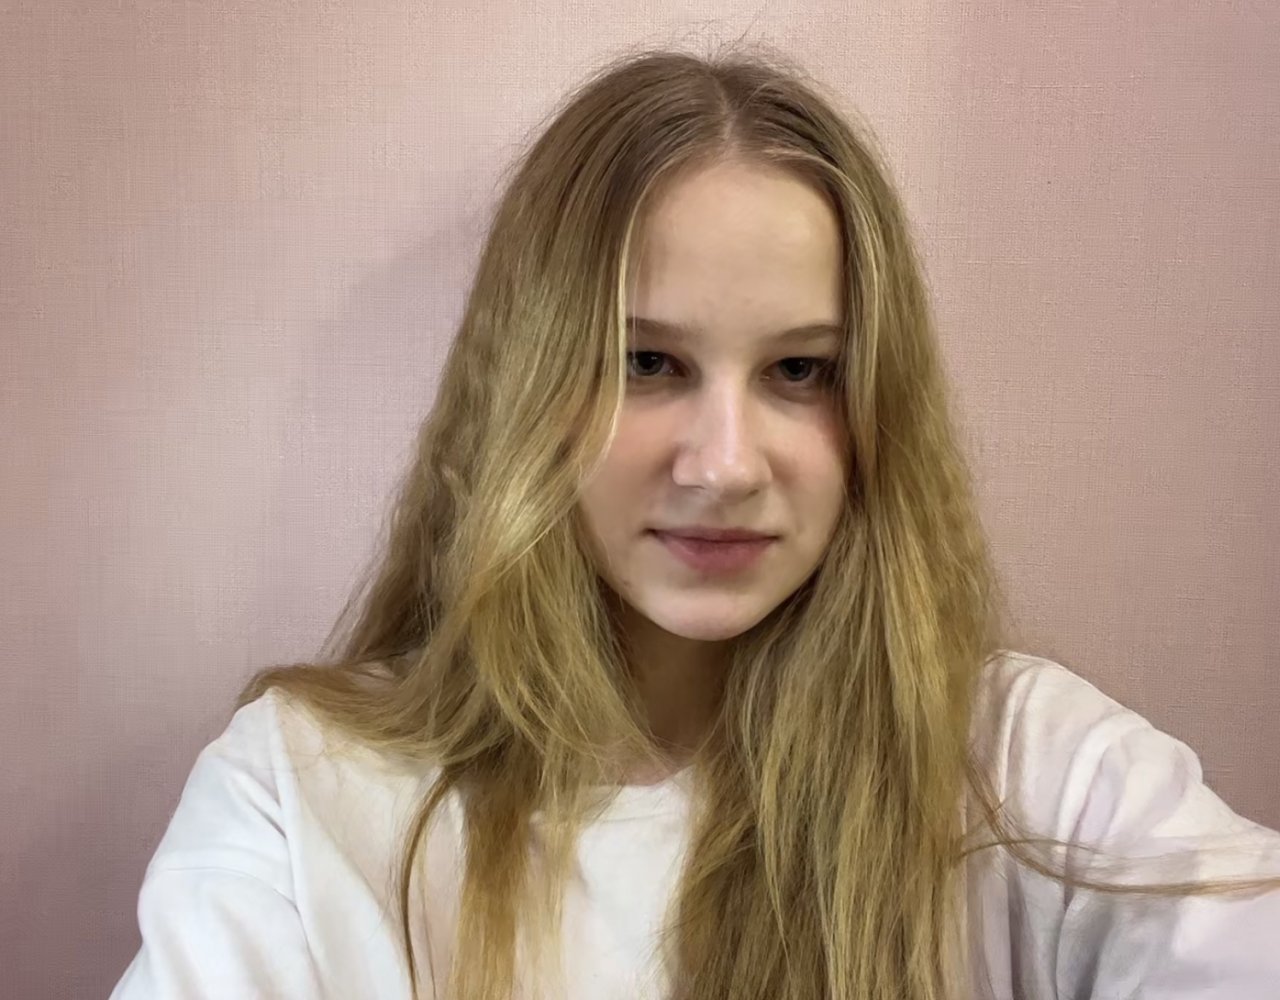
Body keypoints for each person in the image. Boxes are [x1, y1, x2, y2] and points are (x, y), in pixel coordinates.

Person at [109, 46, 1280, 1000]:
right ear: (527, 388)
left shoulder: (1025, 774)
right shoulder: (299, 798)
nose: (724, 466)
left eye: (799, 371)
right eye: (646, 363)